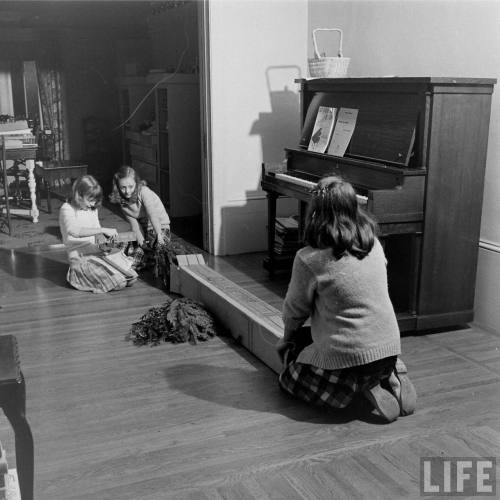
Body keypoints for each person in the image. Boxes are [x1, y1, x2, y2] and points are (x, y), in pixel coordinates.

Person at [275, 175, 416, 423]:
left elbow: (295, 311)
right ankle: (392, 373)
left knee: (288, 377)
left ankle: (363, 387)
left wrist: (285, 340)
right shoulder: (373, 244)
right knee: (342, 341)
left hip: (350, 362)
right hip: (389, 349)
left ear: (315, 213)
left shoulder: (309, 258)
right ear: (354, 208)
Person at [59, 175, 128, 293]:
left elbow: (97, 236)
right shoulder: (67, 208)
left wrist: (109, 244)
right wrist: (103, 230)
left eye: (95, 200)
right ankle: (78, 278)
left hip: (96, 253)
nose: (93, 204)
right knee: (121, 282)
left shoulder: (92, 209)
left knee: (131, 277)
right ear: (79, 195)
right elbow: (74, 231)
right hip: (79, 259)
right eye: (90, 200)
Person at [109, 166, 171, 271]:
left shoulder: (144, 192)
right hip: (143, 230)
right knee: (133, 254)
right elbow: (135, 226)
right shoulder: (123, 202)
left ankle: (150, 258)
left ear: (136, 183)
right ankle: (144, 259)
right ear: (117, 186)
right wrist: (142, 244)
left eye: (130, 186)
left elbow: (152, 215)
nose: (127, 191)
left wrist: (159, 234)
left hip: (159, 227)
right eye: (123, 187)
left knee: (160, 250)